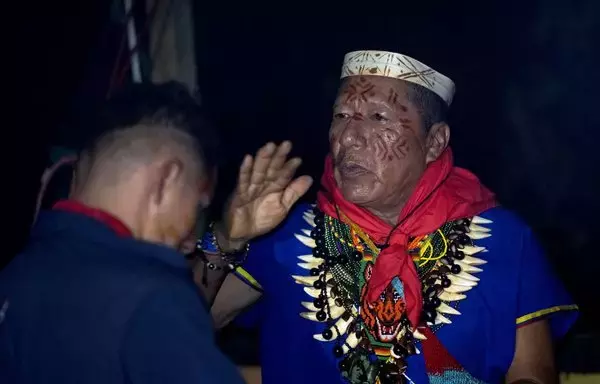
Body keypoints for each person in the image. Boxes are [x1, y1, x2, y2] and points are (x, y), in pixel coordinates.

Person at [194, 51, 578, 384]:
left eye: (379, 117)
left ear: (434, 142)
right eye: (341, 115)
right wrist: (227, 238)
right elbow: (180, 324)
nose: (350, 136)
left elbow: (531, 372)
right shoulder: (289, 233)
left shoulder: (504, 241)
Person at [0, 82, 244, 384]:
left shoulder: (15, 276)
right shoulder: (153, 297)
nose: (191, 238)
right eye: (198, 206)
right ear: (168, 178)